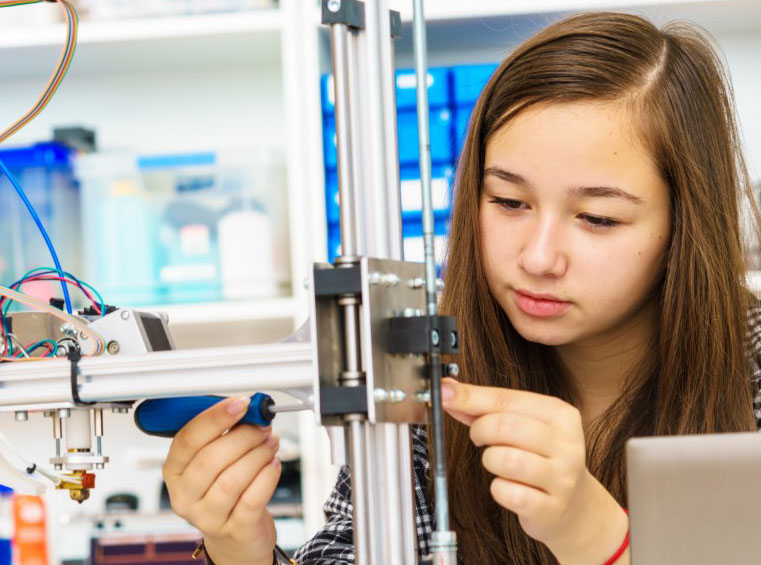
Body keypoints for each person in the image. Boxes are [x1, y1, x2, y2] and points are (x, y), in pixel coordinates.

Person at [161, 11, 761, 565]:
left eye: (597, 218)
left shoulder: (750, 371)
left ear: (684, 224)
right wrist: (240, 546)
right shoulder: (432, 372)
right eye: (507, 201)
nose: (538, 256)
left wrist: (596, 537)